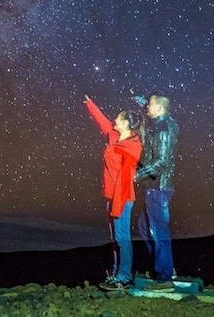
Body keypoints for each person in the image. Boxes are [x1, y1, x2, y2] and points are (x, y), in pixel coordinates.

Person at [83, 95, 144, 291]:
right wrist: (90, 104)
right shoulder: (114, 136)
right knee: (115, 238)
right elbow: (103, 123)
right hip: (111, 196)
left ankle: (124, 277)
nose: (114, 120)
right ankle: (117, 272)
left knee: (123, 237)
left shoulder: (133, 147)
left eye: (118, 118)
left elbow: (125, 180)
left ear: (126, 123)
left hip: (122, 198)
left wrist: (117, 206)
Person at [133, 93, 179, 292]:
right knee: (145, 227)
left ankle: (164, 278)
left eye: (151, 105)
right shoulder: (164, 120)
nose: (147, 107)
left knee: (158, 231)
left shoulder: (163, 129)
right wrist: (141, 100)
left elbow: (161, 162)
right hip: (153, 187)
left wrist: (135, 176)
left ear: (159, 108)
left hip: (158, 188)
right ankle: (162, 267)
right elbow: (154, 107)